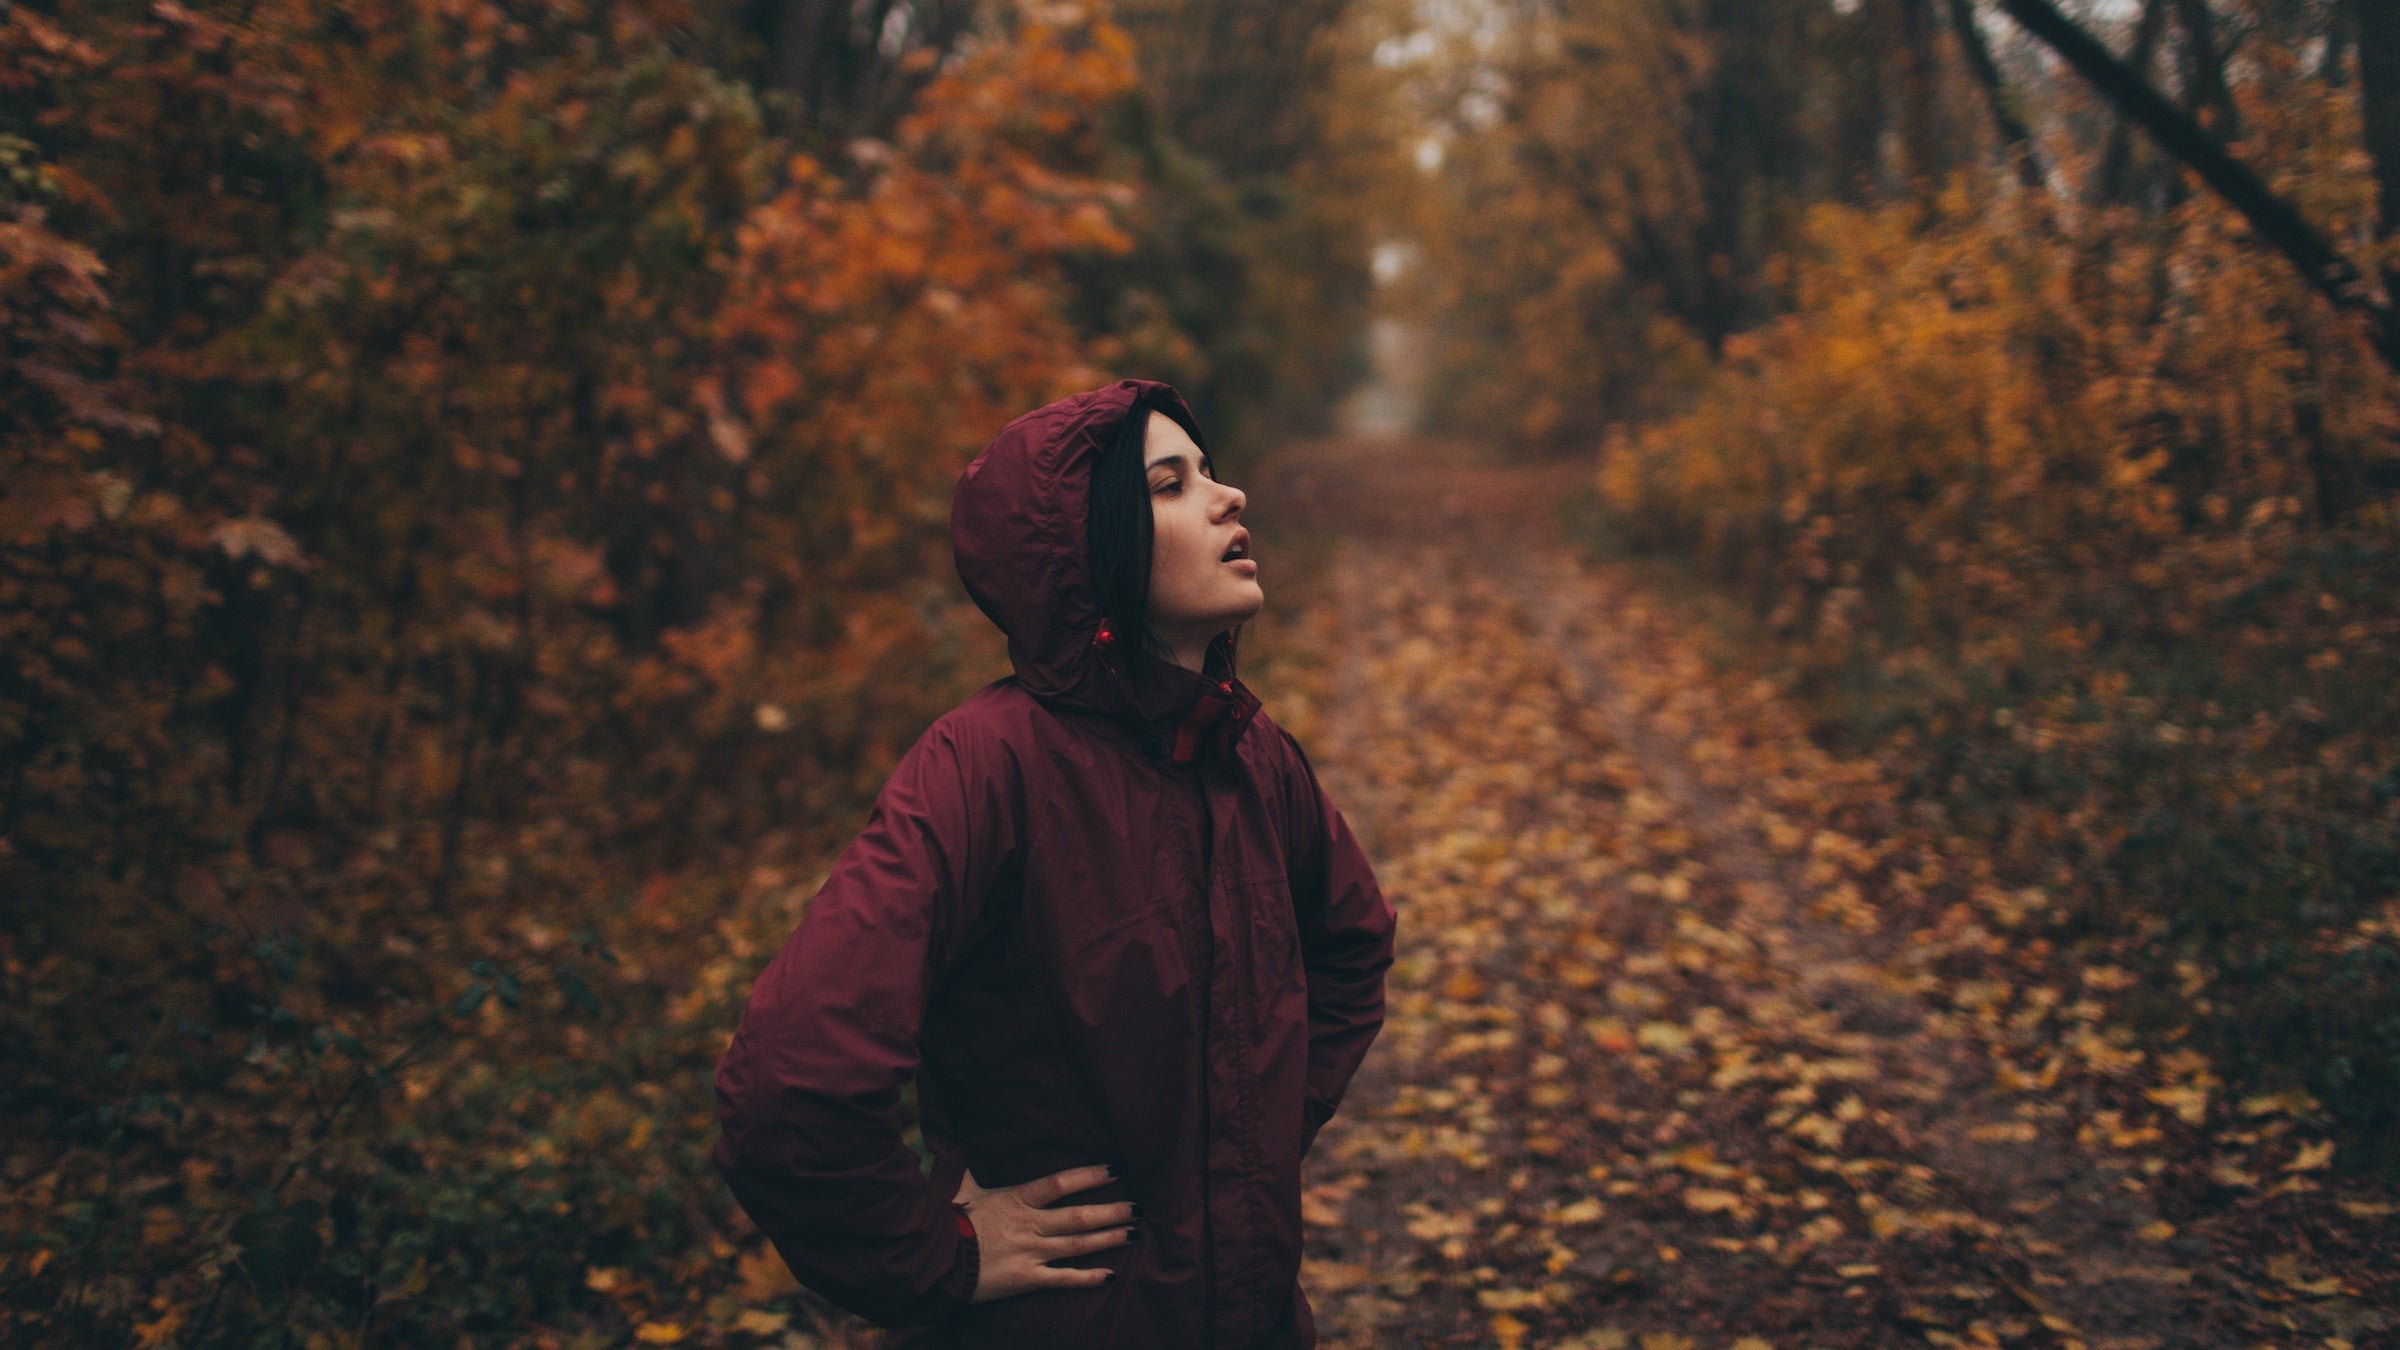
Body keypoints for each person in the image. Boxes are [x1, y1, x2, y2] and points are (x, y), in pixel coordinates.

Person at [711, 378, 1397, 1348]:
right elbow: (789, 1081)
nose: (1228, 496)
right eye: (1169, 483)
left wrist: (1252, 1132)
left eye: (1210, 471)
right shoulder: (985, 763)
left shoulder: (1250, 752)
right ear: (1086, 546)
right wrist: (934, 1253)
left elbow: (1353, 947)